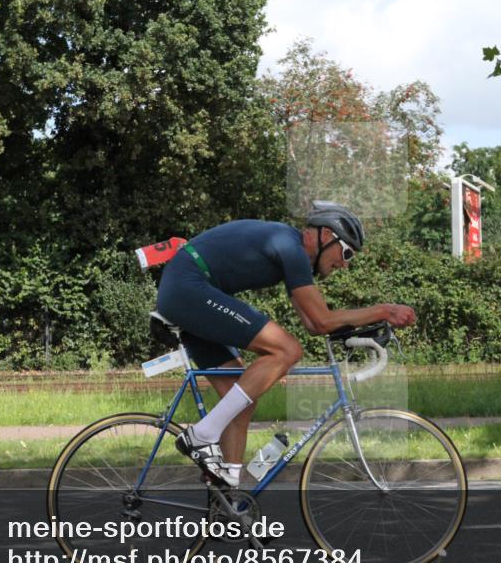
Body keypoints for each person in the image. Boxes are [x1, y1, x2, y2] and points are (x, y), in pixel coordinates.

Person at [155, 201, 416, 487]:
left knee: (240, 401)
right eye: (347, 252)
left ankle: (229, 498)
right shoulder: (290, 247)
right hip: (188, 287)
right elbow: (321, 321)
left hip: (187, 289)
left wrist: (363, 326)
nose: (344, 263)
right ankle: (201, 435)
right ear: (326, 236)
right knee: (287, 350)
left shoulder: (290, 252)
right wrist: (384, 310)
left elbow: (313, 324)